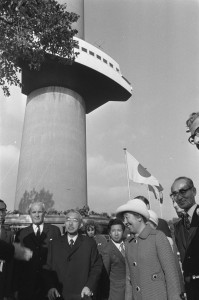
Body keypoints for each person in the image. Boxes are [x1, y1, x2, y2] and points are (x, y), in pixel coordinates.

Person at [116, 198, 182, 300]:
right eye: (123, 219)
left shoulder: (158, 237)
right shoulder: (128, 243)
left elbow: (171, 275)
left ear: (139, 217)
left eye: (127, 217)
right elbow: (129, 280)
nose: (125, 222)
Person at [45, 209, 103, 300]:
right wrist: (51, 287)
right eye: (68, 220)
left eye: (75, 220)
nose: (70, 223)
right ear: (64, 223)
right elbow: (48, 268)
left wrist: (89, 286)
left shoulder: (89, 243)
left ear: (80, 225)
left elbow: (96, 267)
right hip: (59, 295)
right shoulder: (54, 243)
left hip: (82, 294)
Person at [15, 202, 61, 300]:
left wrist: (55, 284)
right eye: (34, 212)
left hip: (49, 286)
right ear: (29, 214)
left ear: (45, 213)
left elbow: (58, 259)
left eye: (40, 212)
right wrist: (15, 287)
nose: (37, 215)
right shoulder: (22, 233)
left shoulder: (55, 231)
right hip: (27, 285)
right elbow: (17, 263)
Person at [170, 177, 199, 300]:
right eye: (175, 194)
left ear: (194, 191)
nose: (179, 197)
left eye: (183, 191)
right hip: (191, 290)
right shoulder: (178, 226)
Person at [102, 218, 126, 300]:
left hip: (131, 291)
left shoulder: (129, 245)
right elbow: (105, 275)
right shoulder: (107, 250)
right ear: (109, 233)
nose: (116, 233)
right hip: (116, 293)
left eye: (119, 230)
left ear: (123, 231)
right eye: (113, 231)